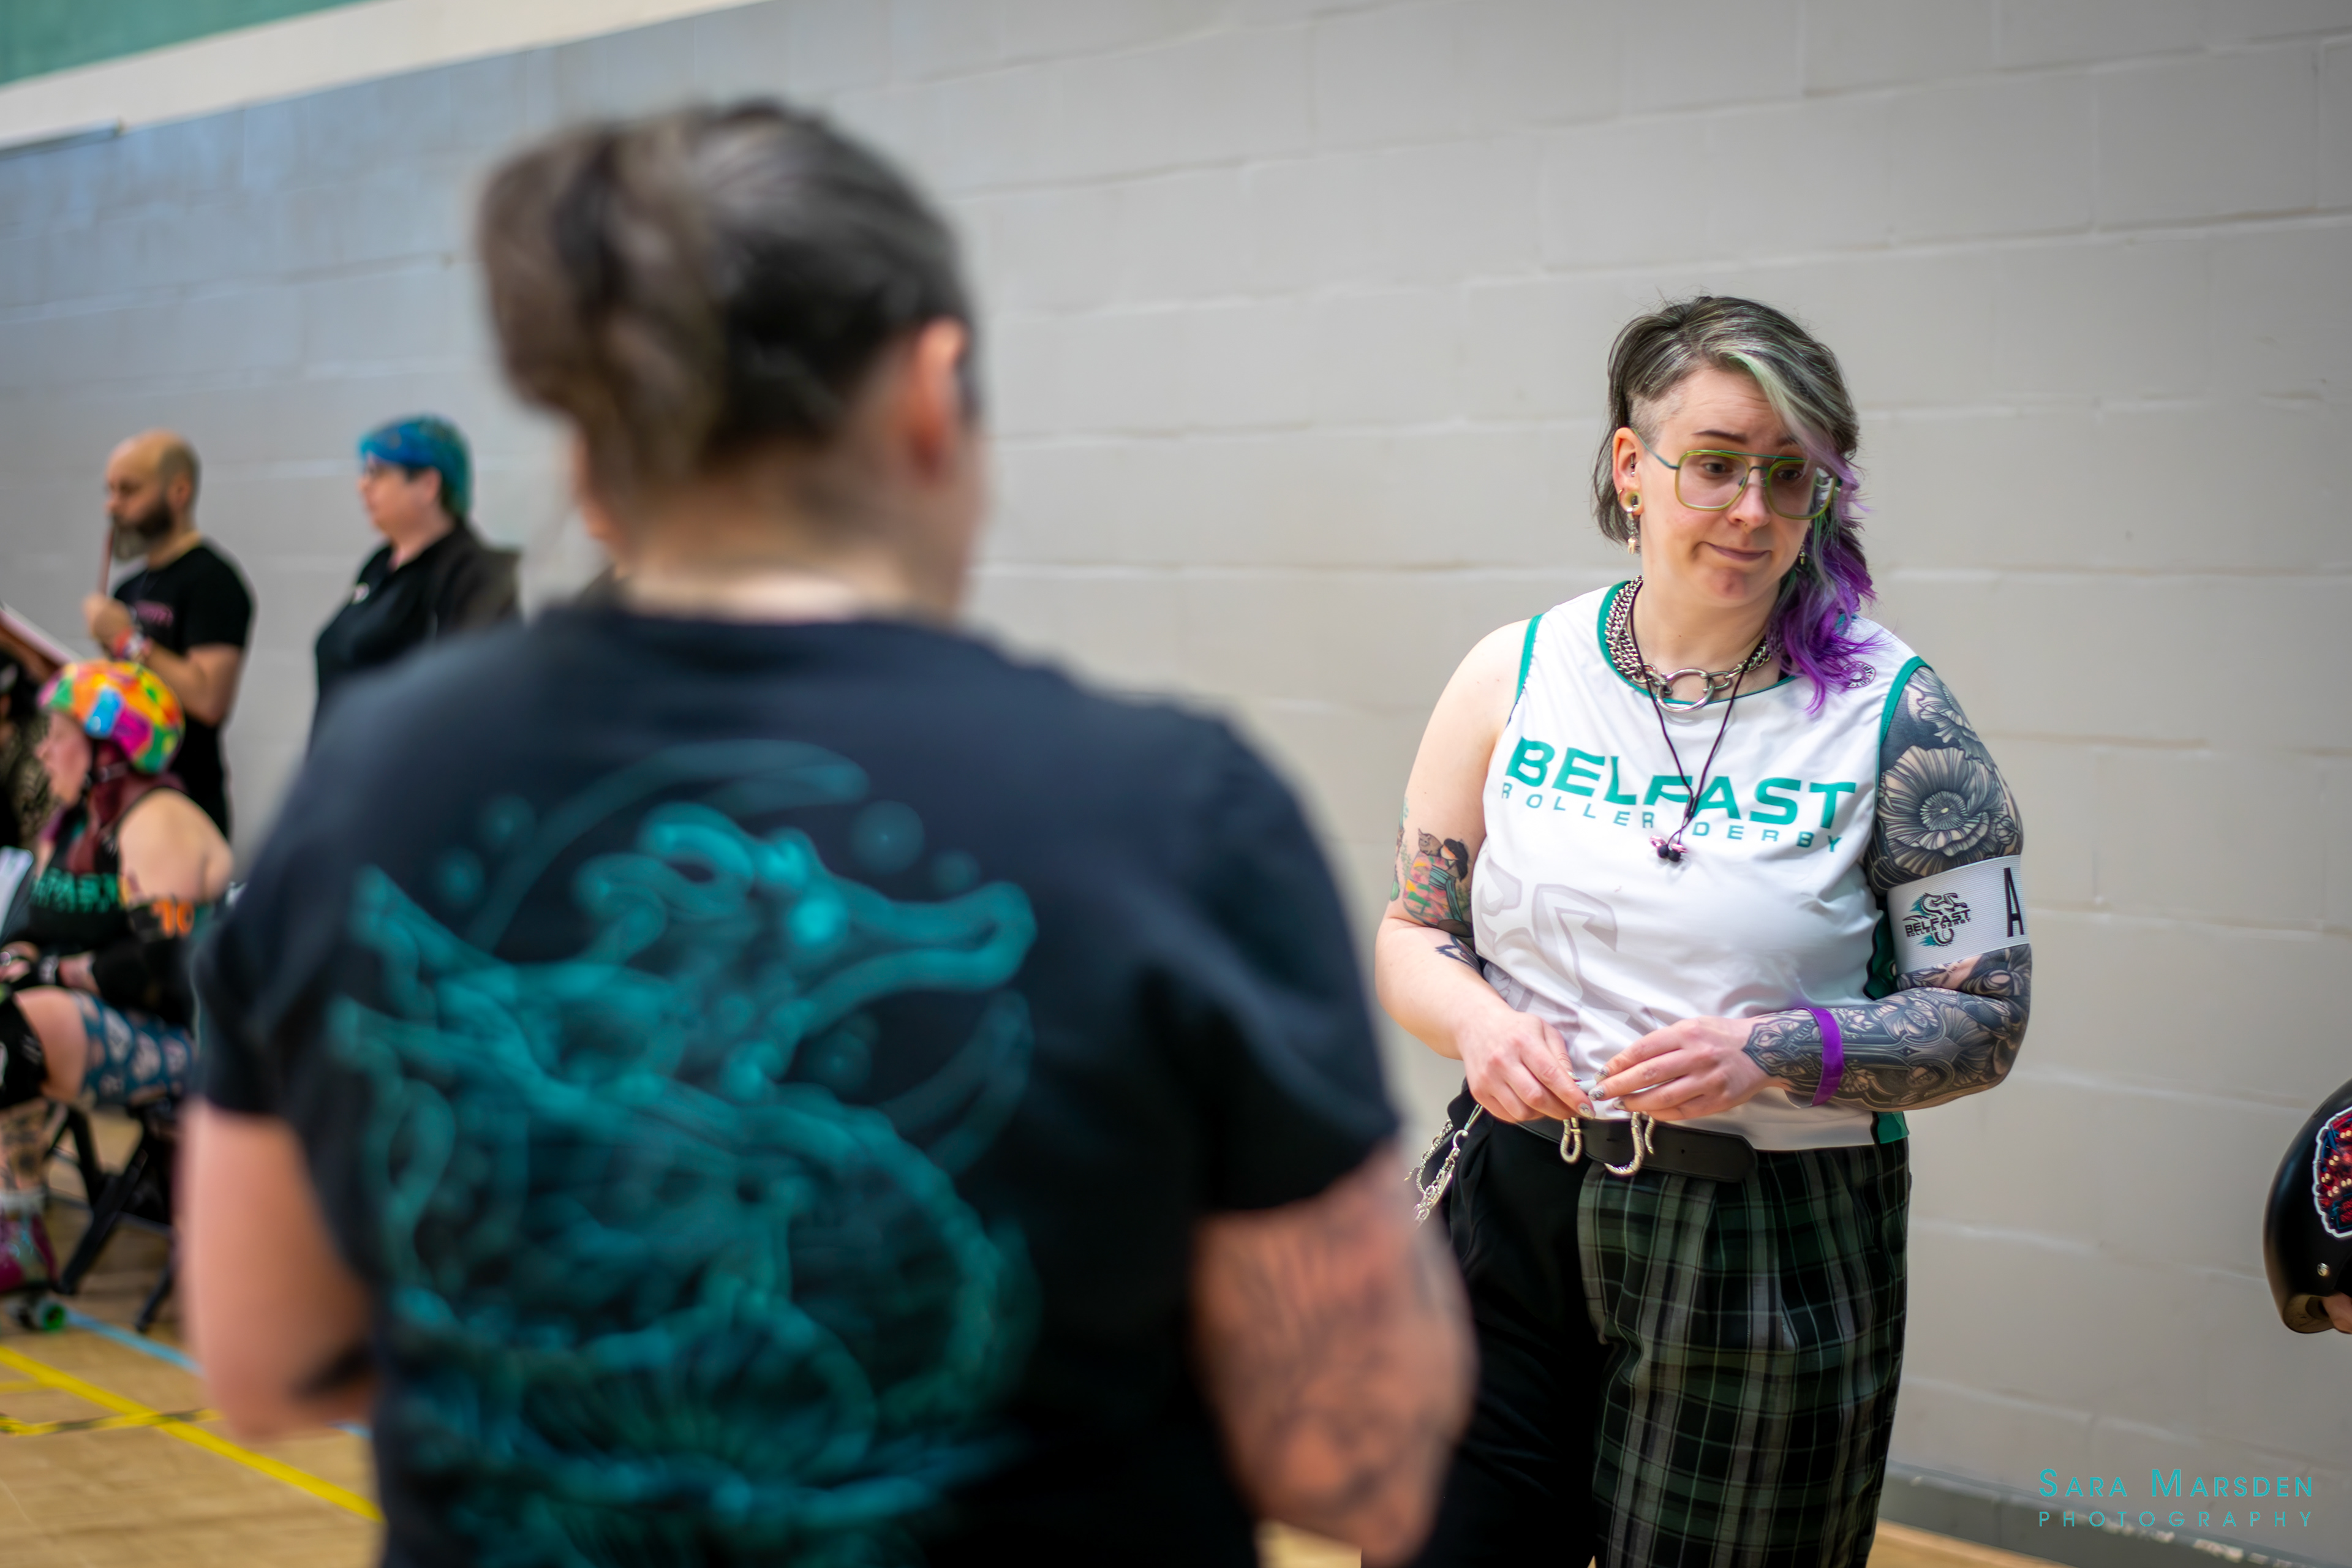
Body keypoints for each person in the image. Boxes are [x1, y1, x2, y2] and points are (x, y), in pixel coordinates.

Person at [183, 102, 1472, 1568]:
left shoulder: (366, 783)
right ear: (930, 391)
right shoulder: (1178, 809)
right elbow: (1357, 1463)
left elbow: (269, 1356)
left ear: (593, 467)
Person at [1378, 295, 2032, 1568]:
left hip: (1759, 1227)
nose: (1752, 509)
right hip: (1512, 1205)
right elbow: (1415, 929)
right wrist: (1478, 1021)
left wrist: (1769, 1050)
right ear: (1633, 466)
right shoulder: (1517, 670)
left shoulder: (1898, 715)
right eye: (1717, 464)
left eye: (1790, 476)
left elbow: (1986, 1017)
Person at [0, 661, 233, 1295]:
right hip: (90, 1022)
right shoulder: (73, 825)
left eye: (58, 735)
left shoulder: (157, 820)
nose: (43, 750)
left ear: (108, 752)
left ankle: (19, 1231)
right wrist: (21, 955)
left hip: (178, 1041)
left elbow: (162, 968)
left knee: (12, 1021)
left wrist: (55, 970)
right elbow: (31, 928)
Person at [87, 432, 254, 839]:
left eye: (129, 490)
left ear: (179, 492)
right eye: (110, 491)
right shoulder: (130, 587)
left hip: (185, 801)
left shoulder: (212, 580)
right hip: (127, 797)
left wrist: (127, 641)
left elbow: (209, 699)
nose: (113, 505)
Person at [312, 415, 519, 732]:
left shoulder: (473, 573)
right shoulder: (380, 564)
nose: (363, 485)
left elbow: (469, 696)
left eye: (378, 474)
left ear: (428, 485)